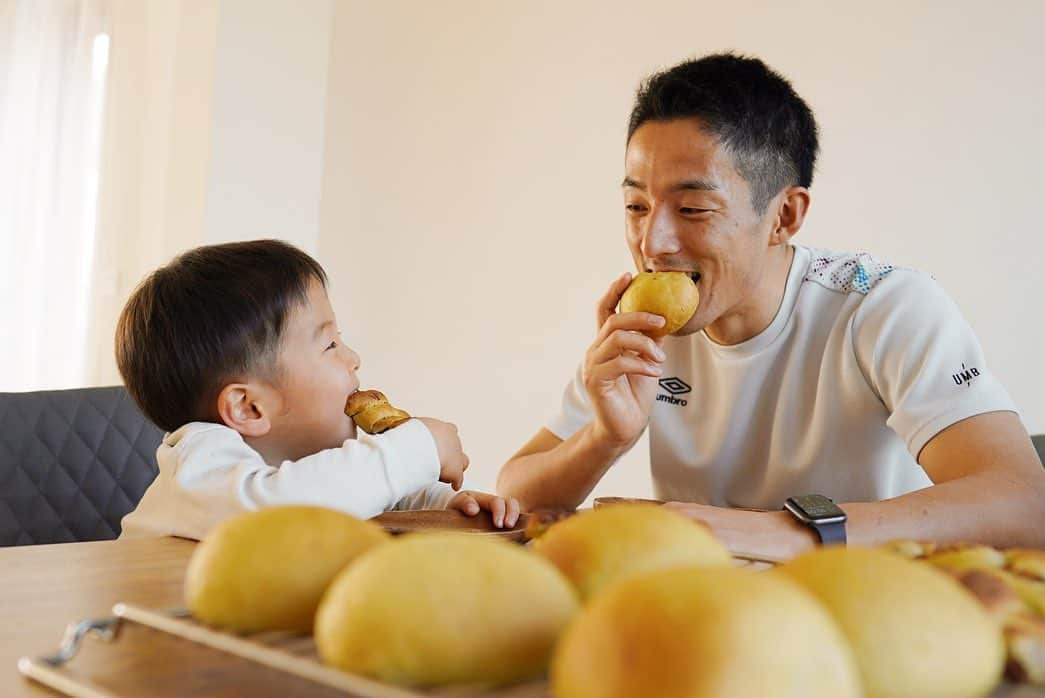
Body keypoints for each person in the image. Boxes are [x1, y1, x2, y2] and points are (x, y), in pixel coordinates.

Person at [497, 53, 1045, 559]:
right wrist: (606, 437)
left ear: (784, 216)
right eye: (636, 205)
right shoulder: (646, 330)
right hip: (712, 617)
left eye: (692, 208)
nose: (652, 242)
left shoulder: (883, 306)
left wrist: (779, 530)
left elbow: (1023, 503)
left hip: (875, 610)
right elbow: (516, 492)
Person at [117, 239, 518, 540]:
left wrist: (436, 503)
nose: (354, 357)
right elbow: (285, 512)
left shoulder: (305, 468)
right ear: (249, 408)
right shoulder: (199, 464)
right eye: (329, 345)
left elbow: (342, 491)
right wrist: (419, 448)